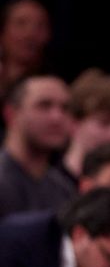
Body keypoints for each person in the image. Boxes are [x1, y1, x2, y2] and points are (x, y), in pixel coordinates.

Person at [0, 74, 75, 219]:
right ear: (11, 114)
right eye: (44, 105)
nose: (57, 117)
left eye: (65, 108)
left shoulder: (64, 190)